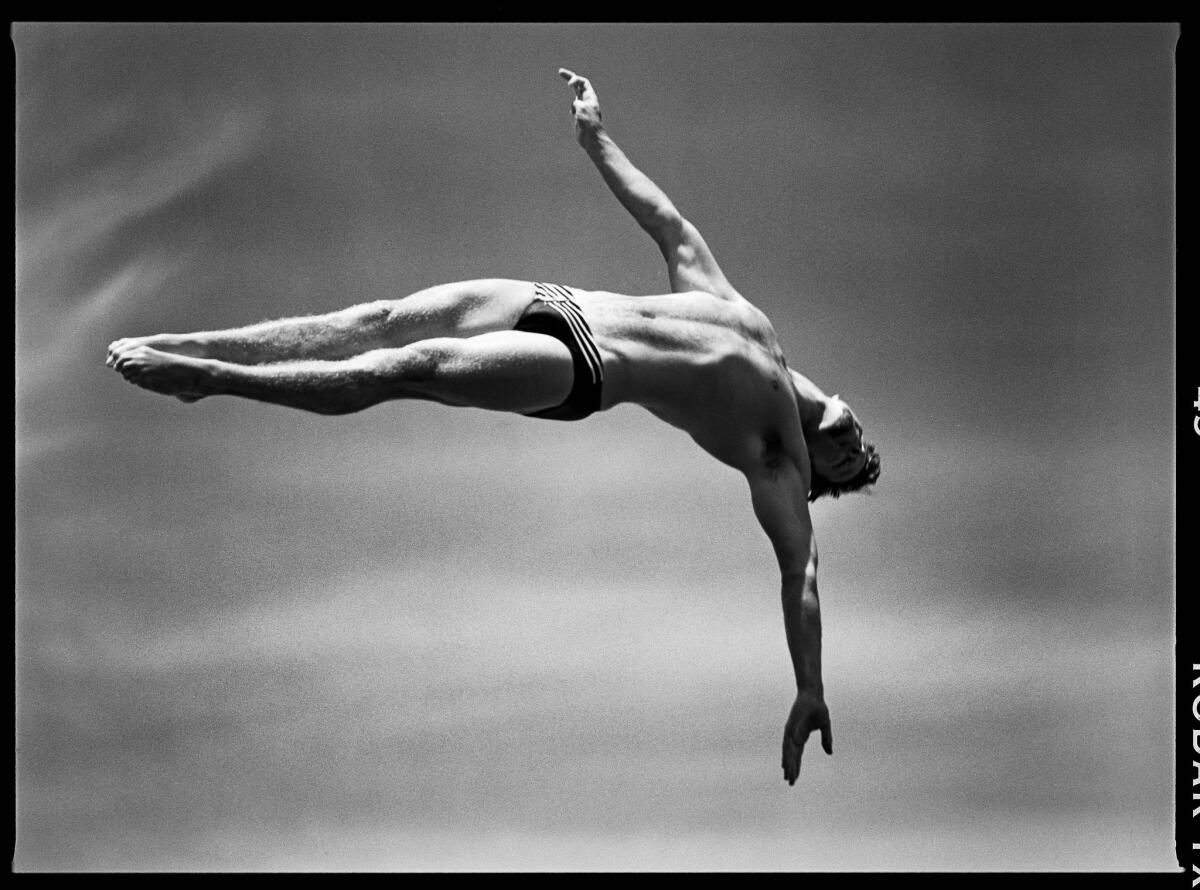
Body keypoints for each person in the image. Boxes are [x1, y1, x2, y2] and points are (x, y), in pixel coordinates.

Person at [107, 68, 880, 785]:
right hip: (556, 297)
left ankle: (212, 382)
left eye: (846, 466)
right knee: (380, 320)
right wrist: (595, 137)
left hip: (586, 364)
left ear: (815, 475)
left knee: (408, 369)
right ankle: (199, 344)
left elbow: (799, 579)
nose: (854, 446)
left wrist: (809, 687)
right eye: (858, 442)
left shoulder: (775, 459)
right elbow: (667, 222)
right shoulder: (750, 320)